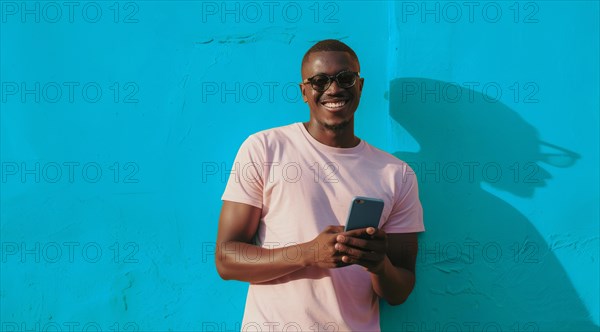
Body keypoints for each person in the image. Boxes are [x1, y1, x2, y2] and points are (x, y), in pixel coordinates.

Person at [216, 39, 424, 331]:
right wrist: (309, 253)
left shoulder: (397, 174)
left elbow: (400, 290)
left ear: (360, 86)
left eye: (345, 78)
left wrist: (379, 266)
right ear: (304, 91)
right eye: (319, 81)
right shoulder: (264, 148)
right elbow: (227, 259)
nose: (334, 89)